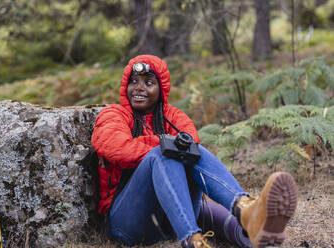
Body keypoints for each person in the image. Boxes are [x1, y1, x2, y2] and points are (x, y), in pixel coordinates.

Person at [91, 55, 298, 248]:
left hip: (170, 216)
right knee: (164, 153)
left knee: (189, 154)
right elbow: (118, 149)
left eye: (148, 82)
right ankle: (192, 240)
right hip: (127, 223)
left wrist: (166, 144)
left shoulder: (174, 116)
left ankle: (247, 214)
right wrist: (163, 143)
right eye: (134, 81)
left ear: (161, 89)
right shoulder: (114, 114)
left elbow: (193, 145)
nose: (139, 88)